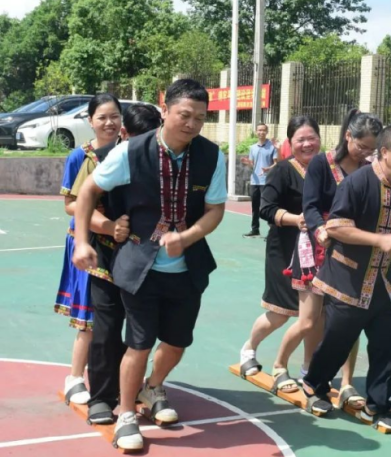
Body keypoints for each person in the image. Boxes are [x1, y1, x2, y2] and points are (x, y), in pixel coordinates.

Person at [72, 79, 227, 451]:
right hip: (139, 266)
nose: (191, 124)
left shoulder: (211, 156)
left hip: (188, 268)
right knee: (139, 344)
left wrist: (186, 237)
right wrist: (81, 241)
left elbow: (215, 209)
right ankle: (126, 415)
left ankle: (153, 387)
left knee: (177, 342)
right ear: (166, 111)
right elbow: (88, 191)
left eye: (200, 118)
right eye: (184, 115)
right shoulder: (130, 151)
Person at [302, 122, 391, 433]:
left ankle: (378, 405)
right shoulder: (357, 183)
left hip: (386, 284)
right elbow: (336, 227)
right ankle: (315, 385)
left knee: (389, 344)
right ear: (385, 152)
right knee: (336, 343)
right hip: (347, 280)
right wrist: (378, 240)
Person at [270, 109, 383, 406]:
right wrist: (320, 229)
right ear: (348, 136)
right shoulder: (322, 163)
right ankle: (280, 364)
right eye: (362, 146)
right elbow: (309, 205)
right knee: (309, 321)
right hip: (316, 244)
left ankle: (346, 383)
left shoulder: (370, 169)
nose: (366, 153)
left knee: (349, 322)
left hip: (350, 248)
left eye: (372, 149)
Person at [79, 104, 162, 425]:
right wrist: (109, 227)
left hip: (148, 260)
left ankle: (144, 388)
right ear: (126, 135)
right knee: (107, 327)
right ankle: (102, 397)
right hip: (108, 257)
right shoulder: (101, 160)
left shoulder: (168, 163)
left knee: (145, 331)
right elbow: (80, 205)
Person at [238, 116, 321, 385]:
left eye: (312, 138)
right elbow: (266, 208)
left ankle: (308, 368)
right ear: (290, 142)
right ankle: (249, 348)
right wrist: (296, 219)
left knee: (316, 315)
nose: (307, 144)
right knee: (280, 312)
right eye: (301, 139)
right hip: (285, 250)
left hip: (319, 252)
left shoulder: (327, 169)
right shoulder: (282, 170)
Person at [54, 94, 123, 407]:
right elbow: (71, 204)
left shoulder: (127, 151)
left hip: (119, 244)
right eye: (102, 117)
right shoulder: (80, 157)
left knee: (114, 316)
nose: (109, 123)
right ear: (91, 121)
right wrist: (104, 222)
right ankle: (74, 377)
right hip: (89, 242)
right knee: (89, 316)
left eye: (115, 116)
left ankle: (115, 376)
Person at [242, 123, 278, 237]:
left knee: (267, 207)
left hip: (267, 182)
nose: (261, 132)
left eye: (263, 130)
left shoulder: (272, 147)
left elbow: (276, 163)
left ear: (267, 132)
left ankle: (272, 231)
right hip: (255, 181)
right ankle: (255, 229)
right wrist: (248, 163)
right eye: (259, 130)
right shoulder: (253, 148)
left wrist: (268, 168)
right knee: (255, 206)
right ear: (256, 132)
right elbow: (252, 165)